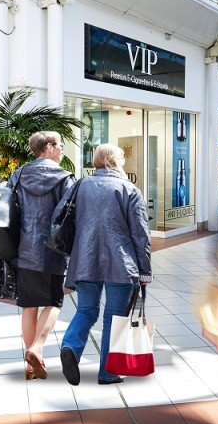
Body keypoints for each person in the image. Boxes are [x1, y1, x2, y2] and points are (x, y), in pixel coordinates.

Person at [59, 144, 151, 386]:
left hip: (85, 259)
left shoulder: (80, 185)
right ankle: (108, 372)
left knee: (86, 310)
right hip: (120, 263)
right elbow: (140, 234)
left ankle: (70, 346)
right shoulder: (129, 188)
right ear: (115, 160)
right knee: (114, 316)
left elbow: (61, 216)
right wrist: (145, 270)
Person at [14, 132, 75, 380]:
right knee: (55, 302)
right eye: (59, 146)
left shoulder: (18, 174)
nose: (61, 151)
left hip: (24, 249)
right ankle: (36, 348)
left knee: (29, 307)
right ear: (48, 147)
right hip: (52, 251)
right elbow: (72, 216)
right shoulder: (64, 178)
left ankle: (30, 366)